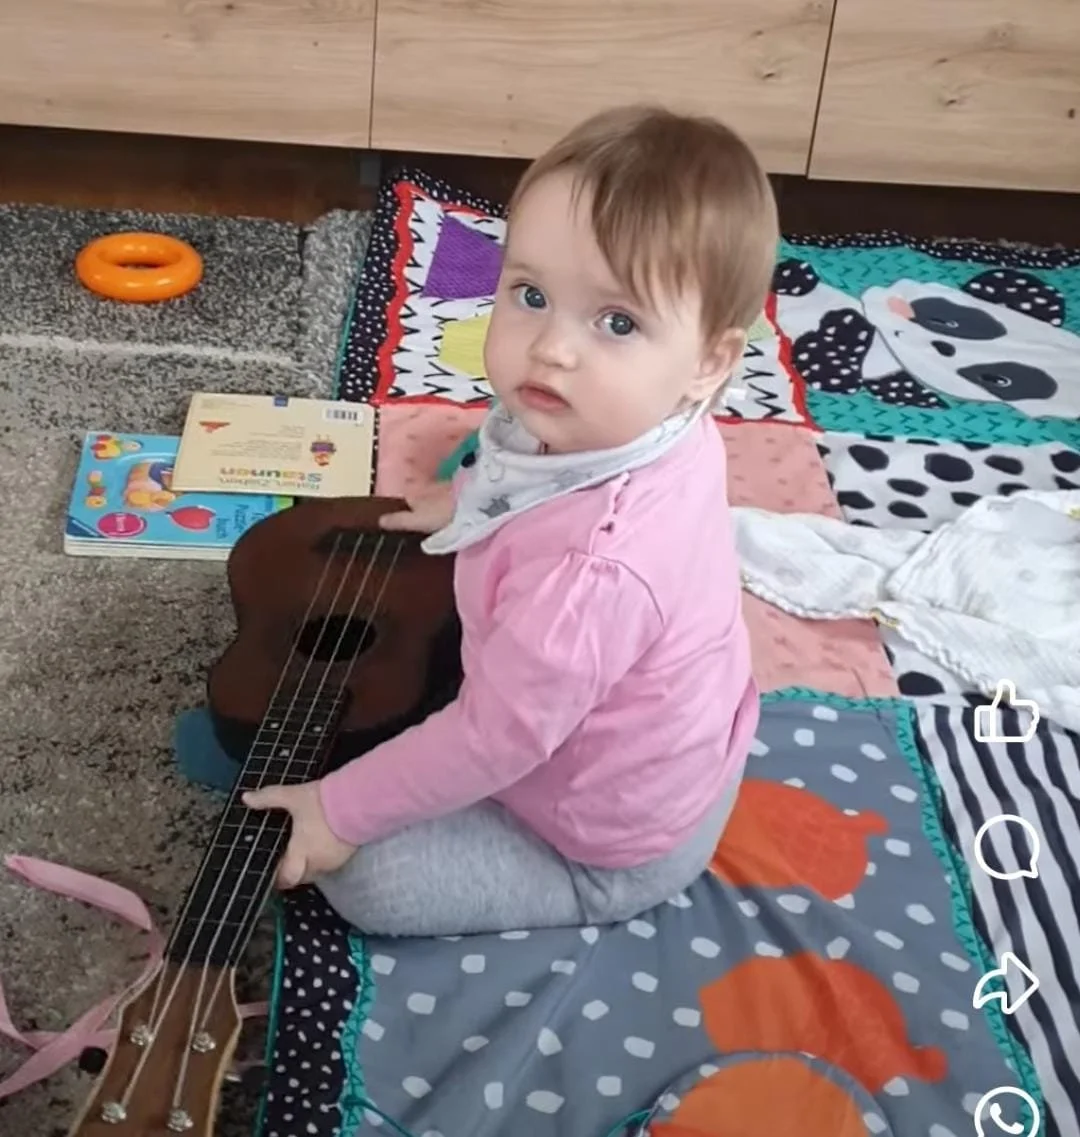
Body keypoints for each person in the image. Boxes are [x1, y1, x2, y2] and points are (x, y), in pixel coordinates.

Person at [241, 103, 779, 937]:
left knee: (368, 879)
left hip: (606, 840)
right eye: (530, 294)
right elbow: (529, 470)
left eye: (618, 322)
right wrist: (471, 501)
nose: (552, 348)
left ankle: (582, 894)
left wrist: (336, 811)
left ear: (710, 362)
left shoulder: (593, 575)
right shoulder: (632, 418)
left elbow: (493, 742)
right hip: (669, 740)